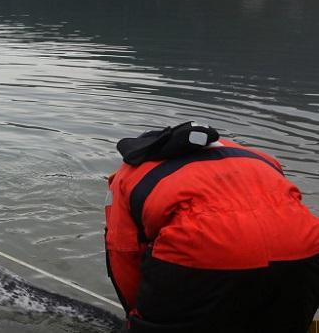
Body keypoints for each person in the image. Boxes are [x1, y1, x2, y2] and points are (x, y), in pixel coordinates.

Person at [105, 121, 319, 333]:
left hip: (205, 246)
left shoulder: (127, 175)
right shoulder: (255, 156)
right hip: (306, 246)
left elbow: (124, 255)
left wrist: (138, 316)